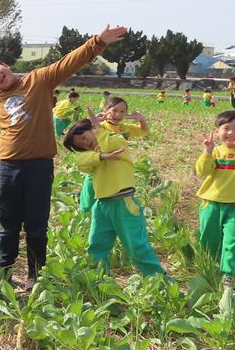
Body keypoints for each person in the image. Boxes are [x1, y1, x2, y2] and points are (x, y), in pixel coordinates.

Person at [0, 25, 128, 287]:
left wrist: (97, 42)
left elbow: (69, 62)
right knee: (8, 222)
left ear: (6, 65)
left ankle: (35, 275)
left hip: (39, 166)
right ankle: (4, 272)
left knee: (36, 223)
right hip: (9, 167)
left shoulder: (38, 80)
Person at [63, 118, 165, 276]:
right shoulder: (93, 157)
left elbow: (112, 144)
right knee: (97, 244)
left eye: (84, 137)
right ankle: (97, 277)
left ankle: (158, 277)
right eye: (81, 145)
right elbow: (81, 161)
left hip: (124, 202)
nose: (85, 143)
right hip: (102, 205)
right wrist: (102, 156)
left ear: (93, 128)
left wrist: (100, 132)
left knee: (136, 245)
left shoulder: (116, 140)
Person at [196, 110, 235, 287]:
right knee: (209, 238)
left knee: (234, 240)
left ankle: (229, 274)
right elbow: (202, 171)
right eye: (226, 128)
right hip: (211, 203)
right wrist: (207, 152)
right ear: (217, 132)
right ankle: (209, 267)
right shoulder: (215, 151)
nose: (231, 132)